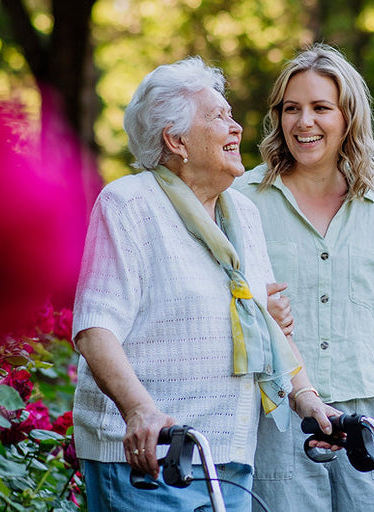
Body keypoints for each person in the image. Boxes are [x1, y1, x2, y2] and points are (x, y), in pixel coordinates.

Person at [71, 56, 336, 511]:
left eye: (231, 115)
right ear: (176, 140)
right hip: (151, 458)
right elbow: (95, 329)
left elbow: (264, 324)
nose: (236, 128)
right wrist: (139, 410)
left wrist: (307, 397)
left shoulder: (242, 214)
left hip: (228, 456)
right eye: (219, 117)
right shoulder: (130, 204)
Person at [232, 44, 374, 512]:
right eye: (291, 109)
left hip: (364, 422)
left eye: (321, 108)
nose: (304, 123)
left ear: (348, 118)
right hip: (276, 420)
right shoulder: (241, 199)